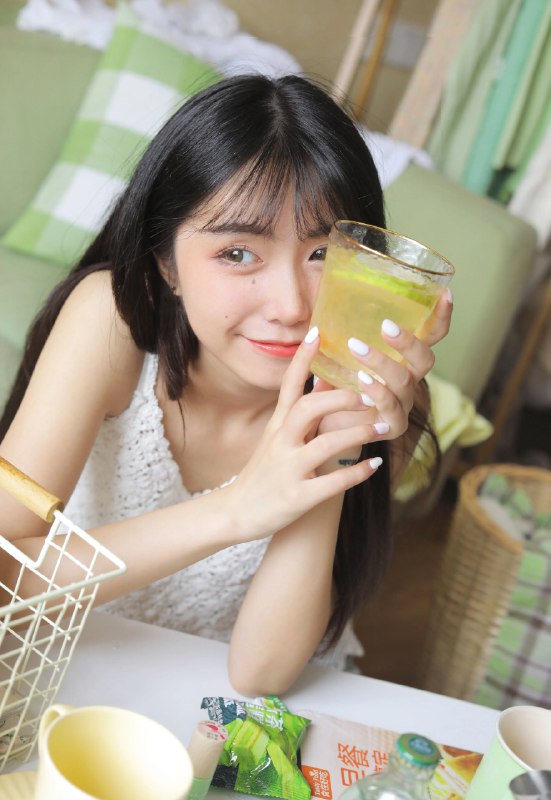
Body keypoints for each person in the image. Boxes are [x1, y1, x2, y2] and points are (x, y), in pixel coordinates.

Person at [0, 74, 451, 697]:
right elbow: (3, 573)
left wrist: (334, 432)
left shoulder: (377, 398)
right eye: (238, 253)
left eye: (324, 254)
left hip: (225, 703)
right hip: (66, 668)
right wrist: (236, 509)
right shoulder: (108, 323)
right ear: (166, 262)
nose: (290, 306)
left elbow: (260, 672)